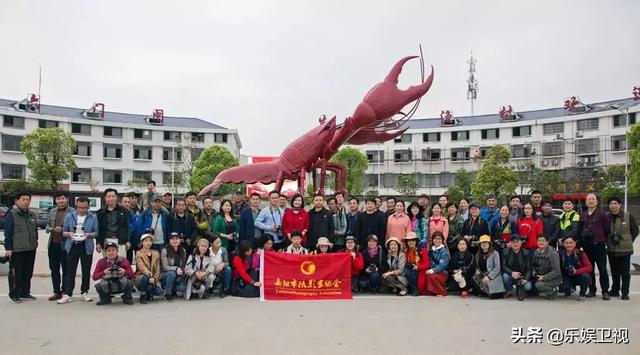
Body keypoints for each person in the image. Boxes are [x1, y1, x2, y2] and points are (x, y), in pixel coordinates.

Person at [58, 196, 98, 304]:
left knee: (86, 271)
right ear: (76, 206)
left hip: (86, 246)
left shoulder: (93, 217)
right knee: (70, 271)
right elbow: (64, 231)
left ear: (88, 207)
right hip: (72, 246)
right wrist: (70, 234)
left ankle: (84, 292)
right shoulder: (69, 216)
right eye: (80, 207)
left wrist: (88, 235)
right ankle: (67, 294)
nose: (82, 210)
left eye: (85, 208)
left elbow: (96, 233)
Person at [4, 192, 39, 303]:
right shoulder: (12, 214)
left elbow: (35, 231)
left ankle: (25, 292)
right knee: (16, 274)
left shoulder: (32, 214)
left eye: (27, 199)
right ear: (17, 201)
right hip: (17, 249)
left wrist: (35, 242)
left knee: (28, 273)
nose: (25, 202)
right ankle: (14, 294)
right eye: (23, 199)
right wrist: (8, 248)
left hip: (31, 248)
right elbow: (8, 233)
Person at [606, 196, 638, 300]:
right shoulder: (607, 217)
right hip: (612, 249)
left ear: (620, 205)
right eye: (611, 204)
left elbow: (635, 231)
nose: (613, 206)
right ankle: (615, 290)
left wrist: (627, 241)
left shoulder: (628, 216)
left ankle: (625, 292)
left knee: (625, 273)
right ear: (609, 206)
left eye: (615, 203)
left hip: (625, 250)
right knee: (614, 272)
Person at [580, 193, 610, 300]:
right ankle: (592, 289)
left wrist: (601, 239)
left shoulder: (602, 214)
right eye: (589, 199)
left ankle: (605, 291)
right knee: (590, 269)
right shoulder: (582, 215)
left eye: (593, 199)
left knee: (602, 269)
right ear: (586, 202)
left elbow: (607, 230)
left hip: (599, 245)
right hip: (587, 247)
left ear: (597, 201)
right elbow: (580, 230)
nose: (591, 201)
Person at [46, 191, 75, 301]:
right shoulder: (53, 211)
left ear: (67, 199)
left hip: (66, 245)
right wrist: (52, 229)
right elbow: (47, 225)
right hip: (53, 244)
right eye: (58, 199)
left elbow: (74, 228)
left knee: (66, 269)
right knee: (54, 269)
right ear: (55, 200)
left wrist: (63, 230)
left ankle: (65, 292)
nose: (60, 201)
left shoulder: (73, 211)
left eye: (62, 198)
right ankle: (56, 291)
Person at [92, 240, 135, 306]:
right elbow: (94, 277)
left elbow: (132, 274)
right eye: (109, 251)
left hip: (121, 284)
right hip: (108, 286)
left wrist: (125, 271)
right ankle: (105, 299)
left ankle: (127, 298)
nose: (111, 252)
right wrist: (103, 272)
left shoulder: (123, 260)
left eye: (113, 250)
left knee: (130, 283)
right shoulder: (101, 262)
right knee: (98, 286)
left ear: (117, 251)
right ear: (105, 252)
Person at [97, 188, 130, 258]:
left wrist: (128, 240)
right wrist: (98, 242)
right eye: (109, 196)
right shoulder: (100, 212)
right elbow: (98, 228)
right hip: (106, 240)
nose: (111, 198)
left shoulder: (124, 211)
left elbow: (127, 226)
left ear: (116, 197)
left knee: (121, 264)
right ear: (105, 198)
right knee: (108, 264)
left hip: (120, 241)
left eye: (113, 196)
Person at [559, 235, 592, 300]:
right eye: (567, 243)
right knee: (564, 288)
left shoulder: (580, 253)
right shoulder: (560, 254)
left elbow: (589, 267)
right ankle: (568, 291)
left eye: (571, 243)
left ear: (575, 243)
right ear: (563, 244)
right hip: (566, 276)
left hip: (578, 276)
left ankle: (582, 294)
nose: (569, 245)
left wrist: (576, 271)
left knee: (586, 276)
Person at [501, 235, 532, 301]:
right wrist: (511, 273)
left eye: (517, 241)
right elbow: (503, 266)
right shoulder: (505, 252)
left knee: (528, 287)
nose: (515, 244)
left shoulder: (526, 253)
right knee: (505, 276)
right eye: (513, 242)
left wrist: (526, 279)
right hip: (511, 276)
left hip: (523, 277)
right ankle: (509, 291)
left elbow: (529, 269)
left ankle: (521, 288)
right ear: (510, 243)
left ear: (521, 242)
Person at [531, 235, 561, 299]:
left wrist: (543, 277)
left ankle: (553, 291)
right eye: (539, 241)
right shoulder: (536, 251)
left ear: (547, 242)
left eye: (543, 241)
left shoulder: (553, 253)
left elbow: (556, 271)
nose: (541, 242)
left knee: (538, 285)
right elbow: (533, 265)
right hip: (540, 276)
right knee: (530, 290)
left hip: (553, 278)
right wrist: (534, 272)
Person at [135, 233, 162, 303]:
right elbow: (142, 267)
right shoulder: (138, 253)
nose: (148, 243)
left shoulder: (156, 253)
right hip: (141, 278)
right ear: (142, 242)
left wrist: (154, 278)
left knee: (158, 292)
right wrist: (150, 276)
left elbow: (158, 269)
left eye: (150, 241)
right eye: (146, 241)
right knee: (145, 278)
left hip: (153, 279)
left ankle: (149, 292)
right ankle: (142, 296)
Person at [160, 233, 187, 302]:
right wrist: (176, 268)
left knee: (182, 288)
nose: (175, 241)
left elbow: (183, 265)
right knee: (172, 274)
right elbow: (165, 267)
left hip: (178, 276)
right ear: (169, 240)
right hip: (165, 275)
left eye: (177, 239)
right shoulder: (165, 250)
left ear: (180, 240)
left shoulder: (183, 250)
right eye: (172, 239)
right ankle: (168, 294)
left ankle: (171, 289)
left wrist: (182, 270)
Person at [423, 232, 450, 297]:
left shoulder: (444, 251)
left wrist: (432, 270)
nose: (437, 240)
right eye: (435, 238)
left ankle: (441, 291)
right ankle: (433, 291)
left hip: (442, 273)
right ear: (432, 240)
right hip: (433, 271)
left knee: (431, 275)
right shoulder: (430, 250)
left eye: (439, 239)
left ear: (442, 240)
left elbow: (443, 265)